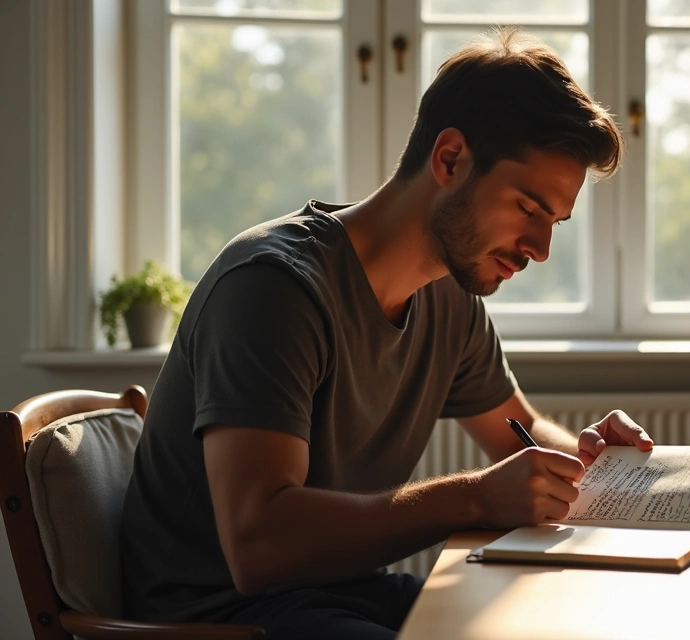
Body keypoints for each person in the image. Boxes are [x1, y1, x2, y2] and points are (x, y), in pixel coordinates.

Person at [120, 28, 649, 639]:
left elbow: (520, 434)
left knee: (556, 623)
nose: (541, 249)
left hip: (336, 594)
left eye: (554, 222)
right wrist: (477, 498)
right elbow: (258, 546)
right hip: (217, 617)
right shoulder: (272, 288)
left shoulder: (450, 294)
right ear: (450, 159)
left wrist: (594, 461)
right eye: (529, 209)